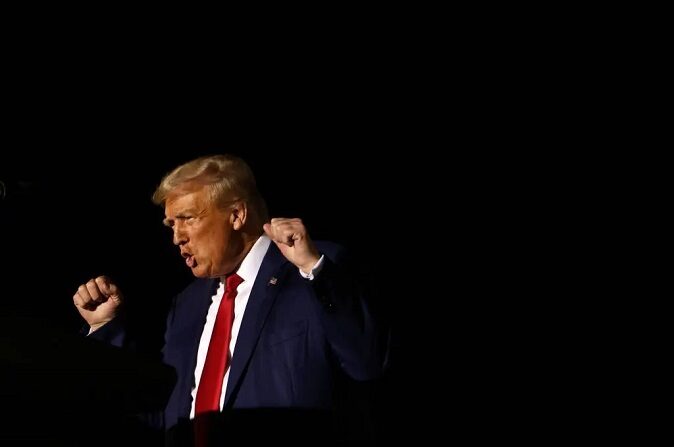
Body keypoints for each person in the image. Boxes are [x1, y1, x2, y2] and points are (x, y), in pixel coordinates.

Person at [71, 154, 389, 446]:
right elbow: (162, 415)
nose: (176, 236)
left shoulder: (313, 269)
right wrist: (105, 329)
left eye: (188, 218)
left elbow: (366, 363)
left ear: (236, 215)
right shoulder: (186, 305)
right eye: (171, 224)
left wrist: (312, 268)